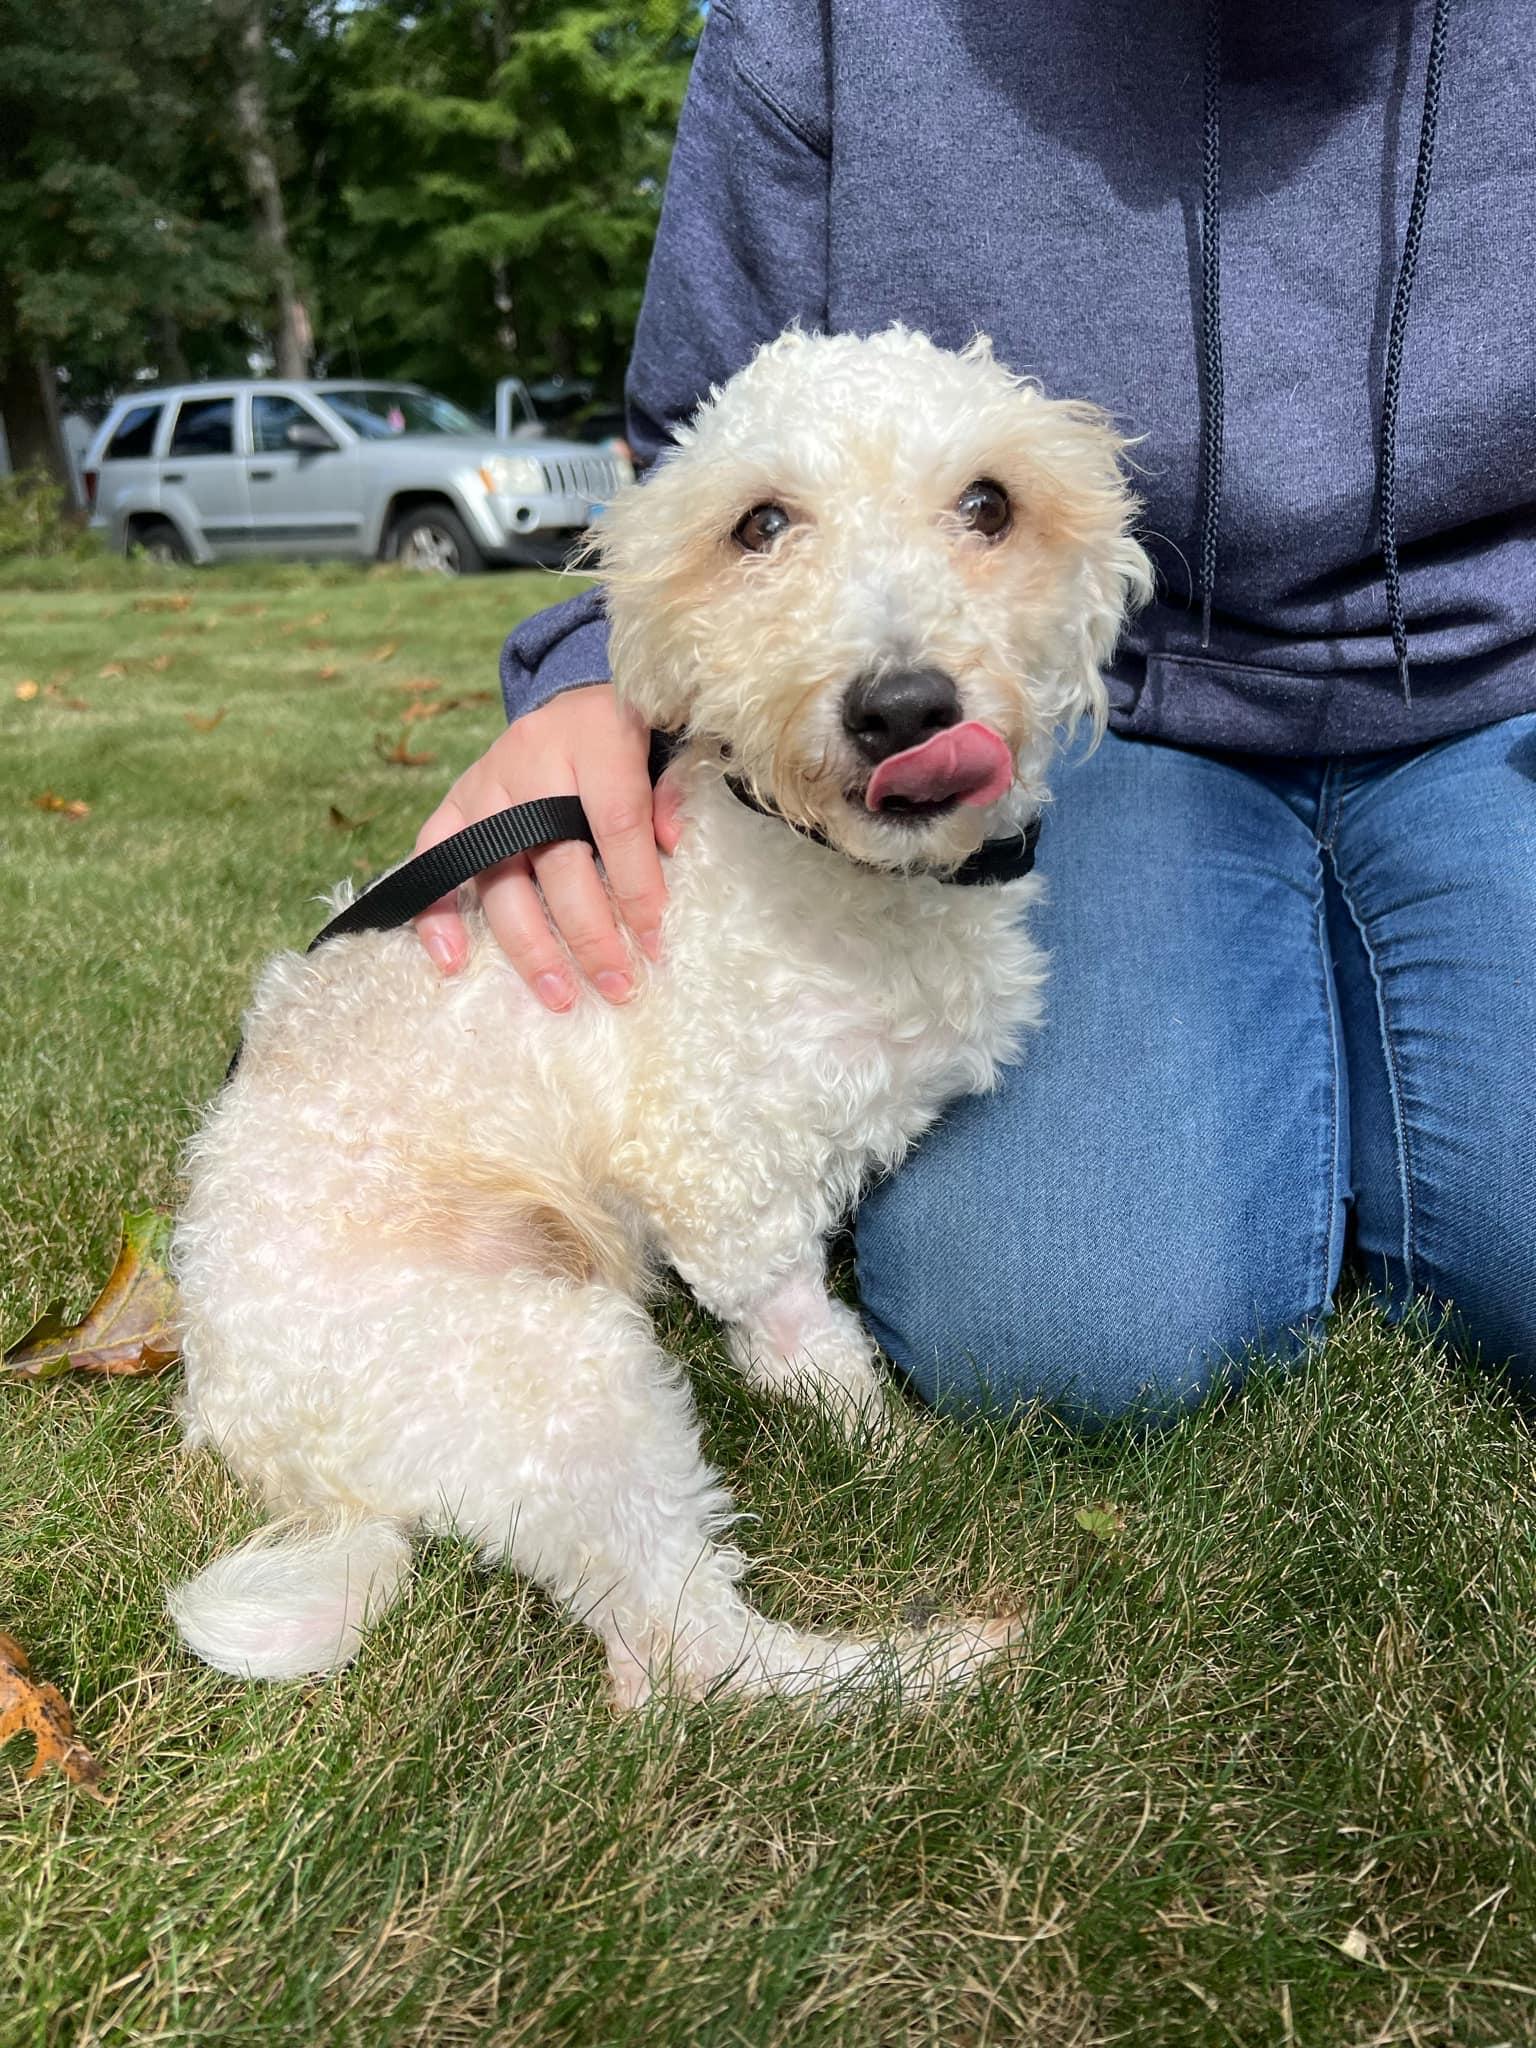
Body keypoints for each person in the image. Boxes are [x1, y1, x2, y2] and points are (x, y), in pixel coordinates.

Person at [411, 0, 1536, 1427]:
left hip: (1502, 693)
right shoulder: (820, 25)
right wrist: (588, 674)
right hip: (1105, 727)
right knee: (1062, 1336)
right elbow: (695, 442)